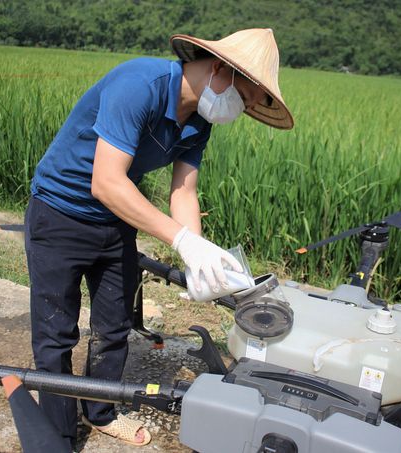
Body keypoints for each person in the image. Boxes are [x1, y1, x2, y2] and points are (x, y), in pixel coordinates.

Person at [24, 28, 294, 449]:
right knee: (57, 334)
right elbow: (106, 182)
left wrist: (197, 256)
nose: (243, 110)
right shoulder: (139, 85)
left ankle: (101, 411)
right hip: (60, 214)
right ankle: (56, 434)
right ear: (221, 70)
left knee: (114, 327)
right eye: (246, 98)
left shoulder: (199, 120)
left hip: (116, 222)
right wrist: (181, 240)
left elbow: (183, 190)